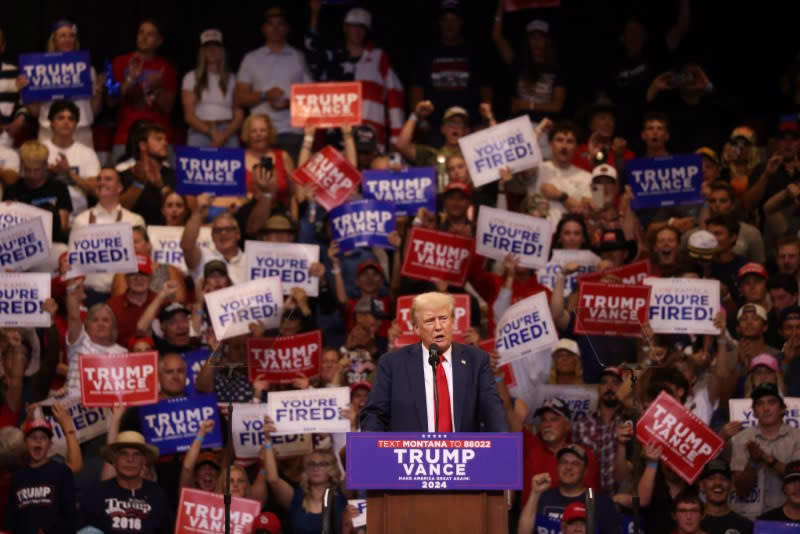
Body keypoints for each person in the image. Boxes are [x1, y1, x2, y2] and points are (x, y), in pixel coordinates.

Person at [360, 291, 508, 432]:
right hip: (409, 456)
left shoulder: (476, 360)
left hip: (463, 456)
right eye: (430, 321)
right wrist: (374, 450)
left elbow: (493, 410)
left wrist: (502, 446)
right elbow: (374, 414)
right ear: (416, 328)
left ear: (453, 322)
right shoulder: (392, 363)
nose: (438, 327)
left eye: (443, 319)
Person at [306, 5, 404, 148]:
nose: (357, 31)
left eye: (361, 27)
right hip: (337, 138)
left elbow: (395, 98)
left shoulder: (378, 57)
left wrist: (396, 139)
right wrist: (314, 15)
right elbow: (311, 51)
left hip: (371, 136)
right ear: (345, 28)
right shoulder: (333, 58)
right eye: (353, 26)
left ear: (367, 31)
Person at [236, 6, 312, 160]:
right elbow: (239, 98)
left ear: (287, 28)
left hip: (292, 132)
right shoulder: (251, 59)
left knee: (292, 181)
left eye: (280, 24)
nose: (275, 28)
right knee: (261, 180)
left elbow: (312, 98)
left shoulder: (299, 57)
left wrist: (289, 104)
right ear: (264, 29)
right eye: (271, 24)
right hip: (260, 134)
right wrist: (265, 95)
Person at [408, 1, 487, 142]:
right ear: (440, 23)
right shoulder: (427, 53)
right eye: (445, 20)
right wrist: (422, 122)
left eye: (454, 20)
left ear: (461, 23)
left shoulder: (474, 52)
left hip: (468, 127)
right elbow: (417, 88)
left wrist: (483, 120)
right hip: (436, 128)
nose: (449, 25)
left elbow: (485, 88)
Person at [109, 18, 177, 163]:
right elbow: (110, 102)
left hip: (159, 137)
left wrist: (157, 88)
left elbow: (168, 108)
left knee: (166, 182)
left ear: (159, 41)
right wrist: (130, 80)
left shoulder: (166, 67)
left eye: (150, 34)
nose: (143, 37)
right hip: (125, 136)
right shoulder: (120, 63)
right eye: (141, 33)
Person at [79, 431, 173, 532]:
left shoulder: (157, 494)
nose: (130, 459)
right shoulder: (95, 493)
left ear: (144, 461)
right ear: (114, 460)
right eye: (123, 454)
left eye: (136, 454)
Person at [731, 382, 800, 517]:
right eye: (760, 404)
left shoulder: (798, 438)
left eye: (771, 402)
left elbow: (797, 480)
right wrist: (752, 463)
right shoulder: (741, 439)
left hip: (788, 518)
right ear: (755, 411)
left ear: (783, 409)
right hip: (749, 519)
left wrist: (766, 458)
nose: (766, 408)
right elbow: (741, 489)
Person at [33, 20, 104, 146]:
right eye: (63, 35)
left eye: (71, 36)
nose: (67, 39)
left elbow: (94, 111)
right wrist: (26, 90)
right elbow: (35, 112)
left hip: (81, 132)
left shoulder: (87, 69)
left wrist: (98, 92)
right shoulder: (40, 69)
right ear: (54, 40)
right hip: (48, 132)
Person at [518, 445, 619, 534]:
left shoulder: (601, 502)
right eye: (563, 462)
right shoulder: (542, 497)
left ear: (585, 471)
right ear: (557, 467)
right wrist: (535, 493)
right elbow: (522, 532)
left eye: (575, 463)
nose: (568, 467)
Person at [520, 397, 602, 506]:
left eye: (554, 419)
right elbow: (507, 410)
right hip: (531, 519)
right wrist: (498, 379)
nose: (547, 424)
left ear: (568, 425)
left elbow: (592, 494)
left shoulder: (583, 455)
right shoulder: (529, 445)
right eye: (544, 420)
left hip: (573, 519)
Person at [3, 416, 77, 533]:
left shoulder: (62, 472)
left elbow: (70, 515)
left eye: (43, 437)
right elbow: (10, 518)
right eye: (33, 437)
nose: (38, 441)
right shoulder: (17, 477)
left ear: (50, 443)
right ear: (25, 443)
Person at [181, 29, 243, 148]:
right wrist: (212, 132)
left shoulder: (233, 79)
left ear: (222, 51)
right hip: (200, 130)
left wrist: (224, 136)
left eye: (216, 47)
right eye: (207, 47)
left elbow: (239, 114)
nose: (211, 50)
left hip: (228, 131)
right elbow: (189, 116)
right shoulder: (190, 78)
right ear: (202, 52)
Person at [41, 99, 101, 219]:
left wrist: (68, 173)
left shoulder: (87, 153)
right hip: (43, 214)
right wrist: (46, 173)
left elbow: (96, 189)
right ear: (51, 122)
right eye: (61, 118)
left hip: (79, 216)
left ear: (76, 124)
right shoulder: (40, 149)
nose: (66, 122)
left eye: (71, 118)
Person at [2, 141, 72, 243]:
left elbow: (63, 227)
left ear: (45, 165)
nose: (32, 175)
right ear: (21, 166)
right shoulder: (12, 190)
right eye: (28, 170)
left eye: (36, 170)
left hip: (52, 242)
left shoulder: (59, 188)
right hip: (23, 243)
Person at [573, 366, 627, 494]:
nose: (609, 387)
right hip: (589, 496)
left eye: (615, 382)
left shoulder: (629, 421)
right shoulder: (583, 424)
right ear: (598, 388)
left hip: (622, 499)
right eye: (604, 382)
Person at [534, 120, 592, 228]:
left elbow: (593, 212)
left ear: (577, 147)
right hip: (537, 237)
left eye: (570, 141)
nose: (564, 146)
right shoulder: (536, 170)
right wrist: (539, 130)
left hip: (570, 241)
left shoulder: (588, 177)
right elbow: (526, 155)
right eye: (559, 140)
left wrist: (560, 195)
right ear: (550, 143)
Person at [119, 122, 176, 224]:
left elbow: (181, 210)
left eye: (165, 139)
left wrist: (161, 185)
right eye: (158, 139)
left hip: (164, 235)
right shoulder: (124, 176)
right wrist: (139, 183)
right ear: (143, 146)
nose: (165, 143)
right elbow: (118, 210)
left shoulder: (173, 176)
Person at [698, 458, 754, 534]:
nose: (718, 483)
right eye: (711, 478)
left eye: (723, 479)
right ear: (701, 486)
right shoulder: (692, 524)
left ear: (731, 485)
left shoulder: (746, 526)